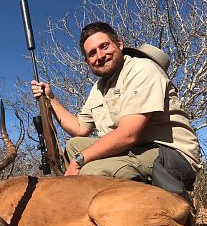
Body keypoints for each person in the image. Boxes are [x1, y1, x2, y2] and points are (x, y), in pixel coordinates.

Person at [31, 22, 201, 202]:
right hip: (134, 149)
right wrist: (51, 99)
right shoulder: (99, 87)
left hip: (169, 154)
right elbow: (80, 128)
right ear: (87, 61)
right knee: (73, 145)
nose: (100, 56)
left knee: (91, 172)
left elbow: (128, 134)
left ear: (119, 44)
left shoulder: (142, 68)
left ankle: (156, 210)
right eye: (92, 53)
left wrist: (78, 162)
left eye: (104, 46)